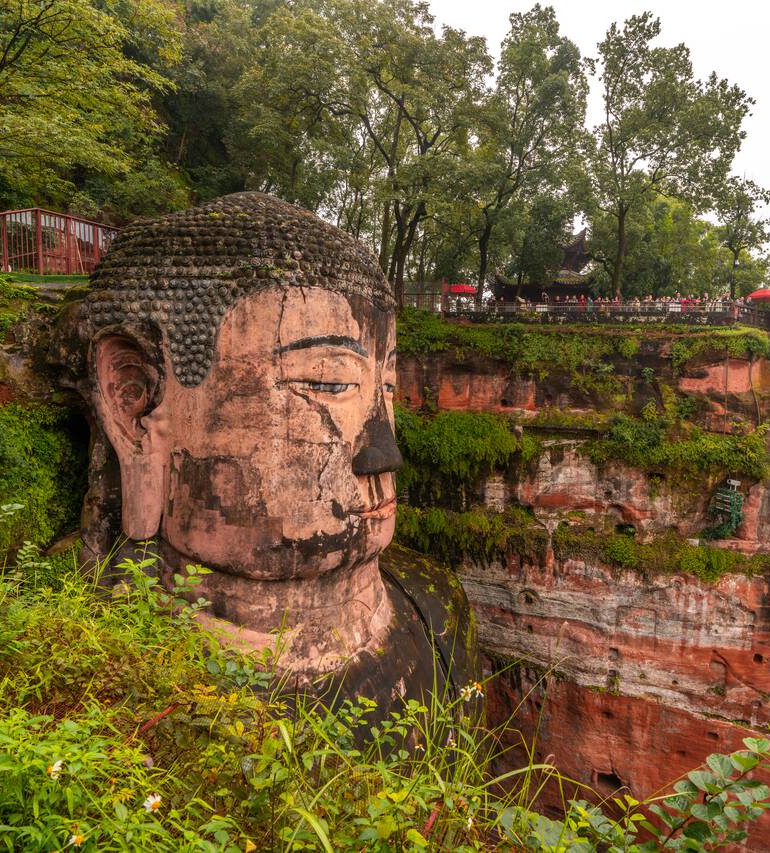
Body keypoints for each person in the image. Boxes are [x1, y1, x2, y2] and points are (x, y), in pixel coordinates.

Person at [61, 191, 475, 715]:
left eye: (386, 388)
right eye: (328, 381)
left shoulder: (438, 608)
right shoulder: (98, 688)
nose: (384, 455)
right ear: (134, 406)